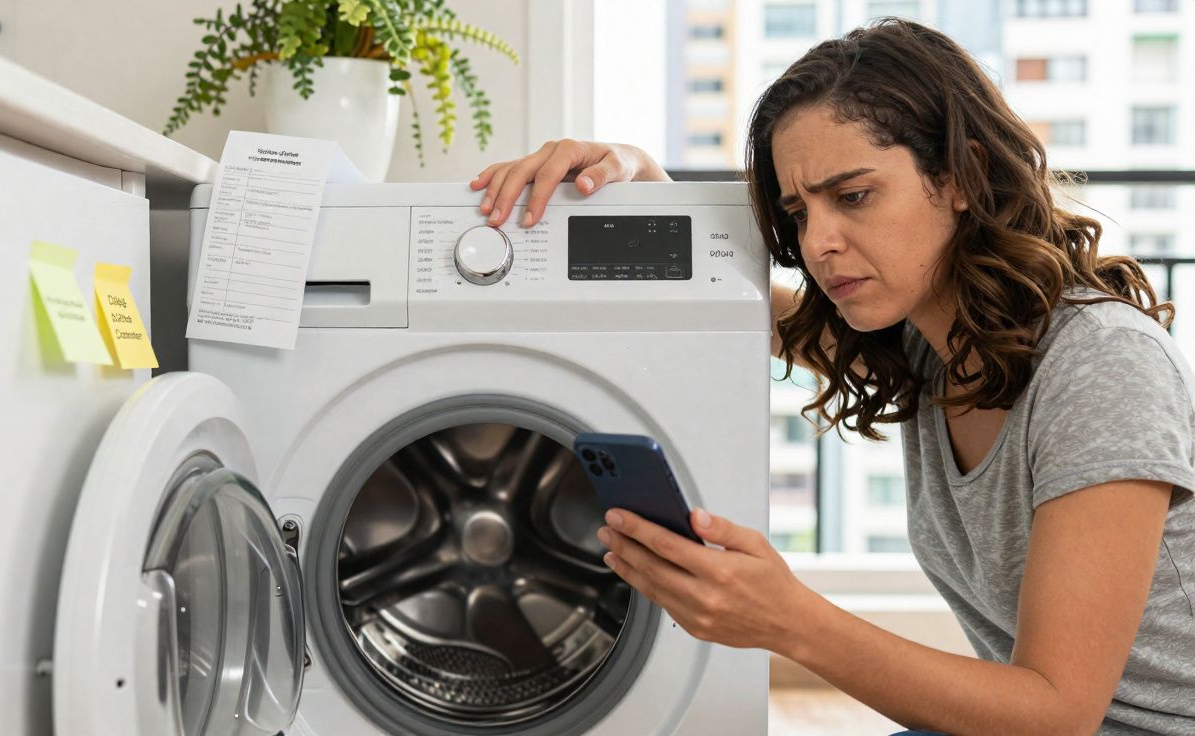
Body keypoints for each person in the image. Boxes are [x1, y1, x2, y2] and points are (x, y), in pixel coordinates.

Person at [469, 18, 1195, 736]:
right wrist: (635, 179)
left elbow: (1056, 711)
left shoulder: (1099, 364)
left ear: (962, 177)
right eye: (798, 210)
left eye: (853, 197)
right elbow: (742, 311)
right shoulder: (930, 347)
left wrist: (790, 621)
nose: (817, 243)